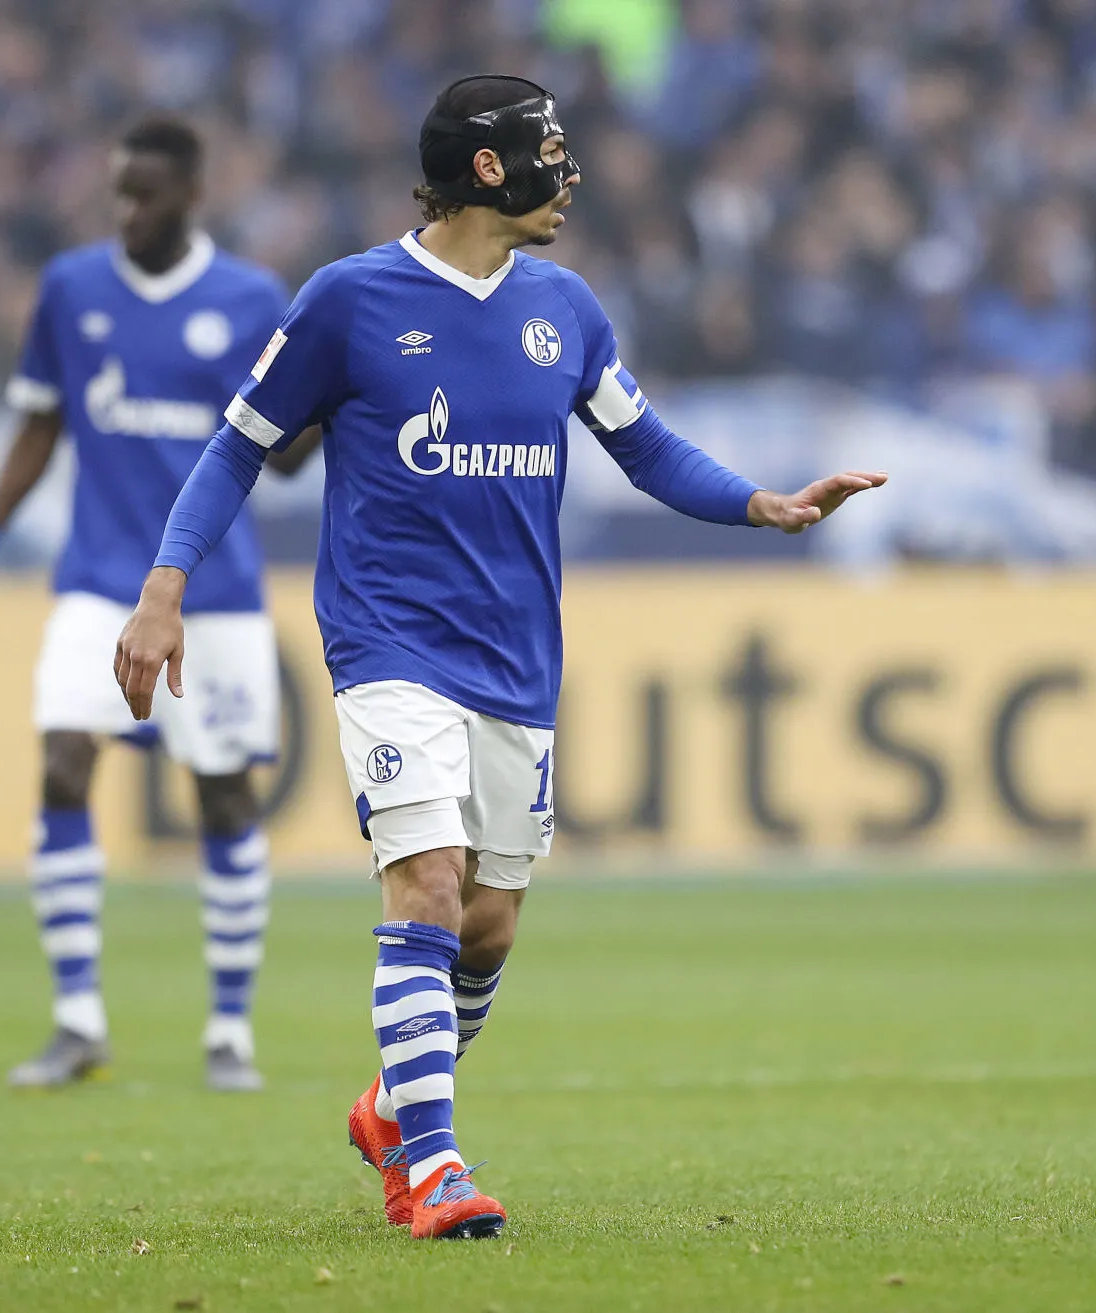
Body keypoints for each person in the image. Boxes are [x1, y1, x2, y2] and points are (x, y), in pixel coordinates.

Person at [111, 75, 884, 1239]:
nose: (569, 175)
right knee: (425, 882)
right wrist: (163, 586)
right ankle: (434, 1166)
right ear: (486, 167)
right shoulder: (349, 300)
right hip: (388, 641)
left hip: (517, 658)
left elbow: (646, 448)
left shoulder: (565, 309)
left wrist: (761, 504)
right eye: (550, 152)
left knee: (486, 927)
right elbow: (238, 447)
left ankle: (392, 1108)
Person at [0, 117, 318, 1093]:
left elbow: (285, 459)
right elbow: (38, 426)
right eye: (118, 192)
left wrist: (330, 394)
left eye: (145, 194)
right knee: (63, 762)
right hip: (98, 582)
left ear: (192, 195)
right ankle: (78, 1020)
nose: (127, 211)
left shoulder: (250, 299)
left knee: (224, 795)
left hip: (217, 593)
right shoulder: (72, 288)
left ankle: (229, 1029)